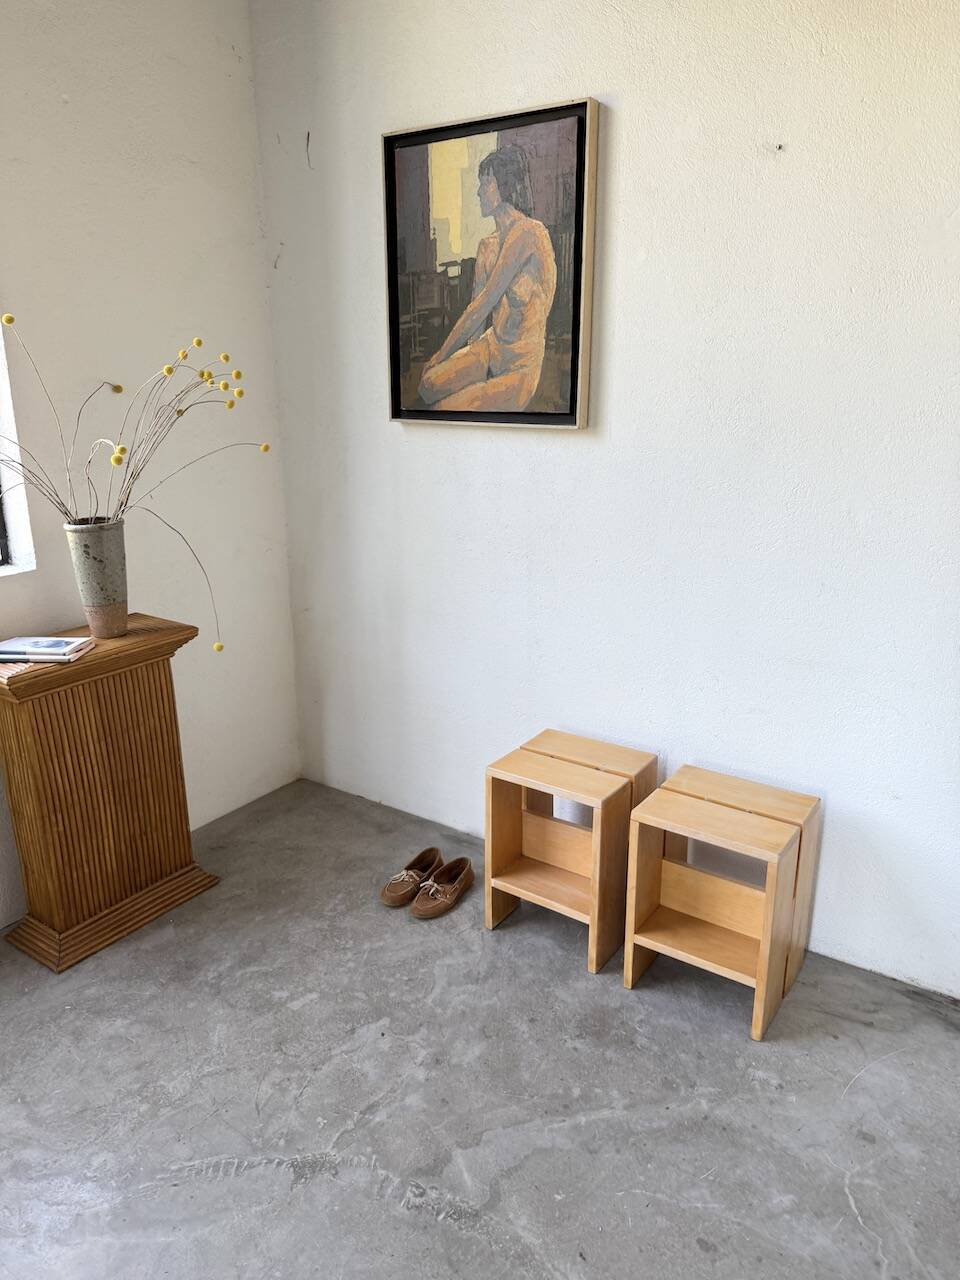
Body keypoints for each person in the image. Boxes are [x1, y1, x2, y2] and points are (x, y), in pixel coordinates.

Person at [418, 144, 557, 412]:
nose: (479, 191)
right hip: (491, 349)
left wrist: (441, 355)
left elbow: (483, 304)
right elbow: (477, 316)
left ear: (506, 185)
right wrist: (466, 364)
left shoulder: (530, 233)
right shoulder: (487, 246)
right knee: (427, 385)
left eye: (486, 182)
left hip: (519, 366)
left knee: (443, 409)